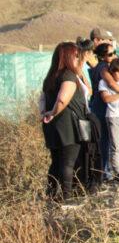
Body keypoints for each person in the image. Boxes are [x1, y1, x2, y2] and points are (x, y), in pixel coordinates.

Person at [41, 42, 88, 203]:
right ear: (68, 56)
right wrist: (54, 112)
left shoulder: (51, 76)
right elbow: (63, 98)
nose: (78, 58)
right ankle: (66, 198)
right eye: (76, 55)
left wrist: (45, 114)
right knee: (68, 163)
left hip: (52, 127)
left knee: (56, 162)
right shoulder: (68, 75)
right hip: (67, 126)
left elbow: (42, 99)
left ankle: (52, 194)